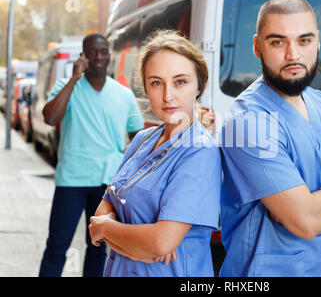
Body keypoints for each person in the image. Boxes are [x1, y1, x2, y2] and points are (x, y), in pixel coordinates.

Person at [219, 0, 321, 277]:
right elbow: (306, 222)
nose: (293, 55)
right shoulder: (248, 121)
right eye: (278, 42)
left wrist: (313, 212)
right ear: (257, 46)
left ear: (317, 42)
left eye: (304, 40)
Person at [88, 30, 221, 277]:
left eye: (180, 81)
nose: (168, 95)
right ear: (146, 88)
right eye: (156, 82)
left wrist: (110, 229)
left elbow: (161, 243)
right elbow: (99, 216)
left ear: (199, 86)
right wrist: (139, 246)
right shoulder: (142, 140)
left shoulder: (200, 152)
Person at [39, 34, 145, 277]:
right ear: (83, 57)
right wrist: (75, 78)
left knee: (97, 248)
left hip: (107, 184)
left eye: (103, 52)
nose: (98, 57)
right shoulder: (66, 86)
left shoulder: (123, 94)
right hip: (71, 181)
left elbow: (139, 138)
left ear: (109, 55)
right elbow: (50, 118)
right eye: (91, 52)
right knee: (57, 246)